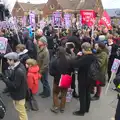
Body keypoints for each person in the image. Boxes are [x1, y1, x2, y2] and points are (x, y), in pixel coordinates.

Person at [2, 52, 28, 120]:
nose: (7, 61)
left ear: (13, 60)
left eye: (8, 60)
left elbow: (14, 86)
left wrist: (5, 79)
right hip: (19, 94)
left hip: (19, 96)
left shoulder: (18, 71)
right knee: (20, 111)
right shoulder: (18, 66)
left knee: (22, 112)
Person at [73, 42, 96, 116]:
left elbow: (75, 64)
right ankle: (87, 108)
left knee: (82, 94)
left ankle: (81, 111)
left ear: (83, 49)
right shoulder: (93, 56)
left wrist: (78, 56)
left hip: (83, 78)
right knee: (88, 93)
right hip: (91, 78)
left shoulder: (85, 57)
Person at [49, 47, 73, 113]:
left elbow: (51, 72)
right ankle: (62, 107)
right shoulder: (69, 60)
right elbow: (72, 70)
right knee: (64, 94)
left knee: (55, 93)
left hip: (57, 80)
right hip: (66, 80)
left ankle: (56, 106)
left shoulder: (54, 61)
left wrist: (56, 75)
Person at [36, 29, 51, 98]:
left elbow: (45, 63)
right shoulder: (40, 48)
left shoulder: (45, 51)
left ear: (43, 43)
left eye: (39, 41)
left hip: (43, 69)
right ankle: (44, 91)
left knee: (45, 81)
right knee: (43, 81)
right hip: (40, 68)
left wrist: (40, 71)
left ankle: (47, 93)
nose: (38, 41)